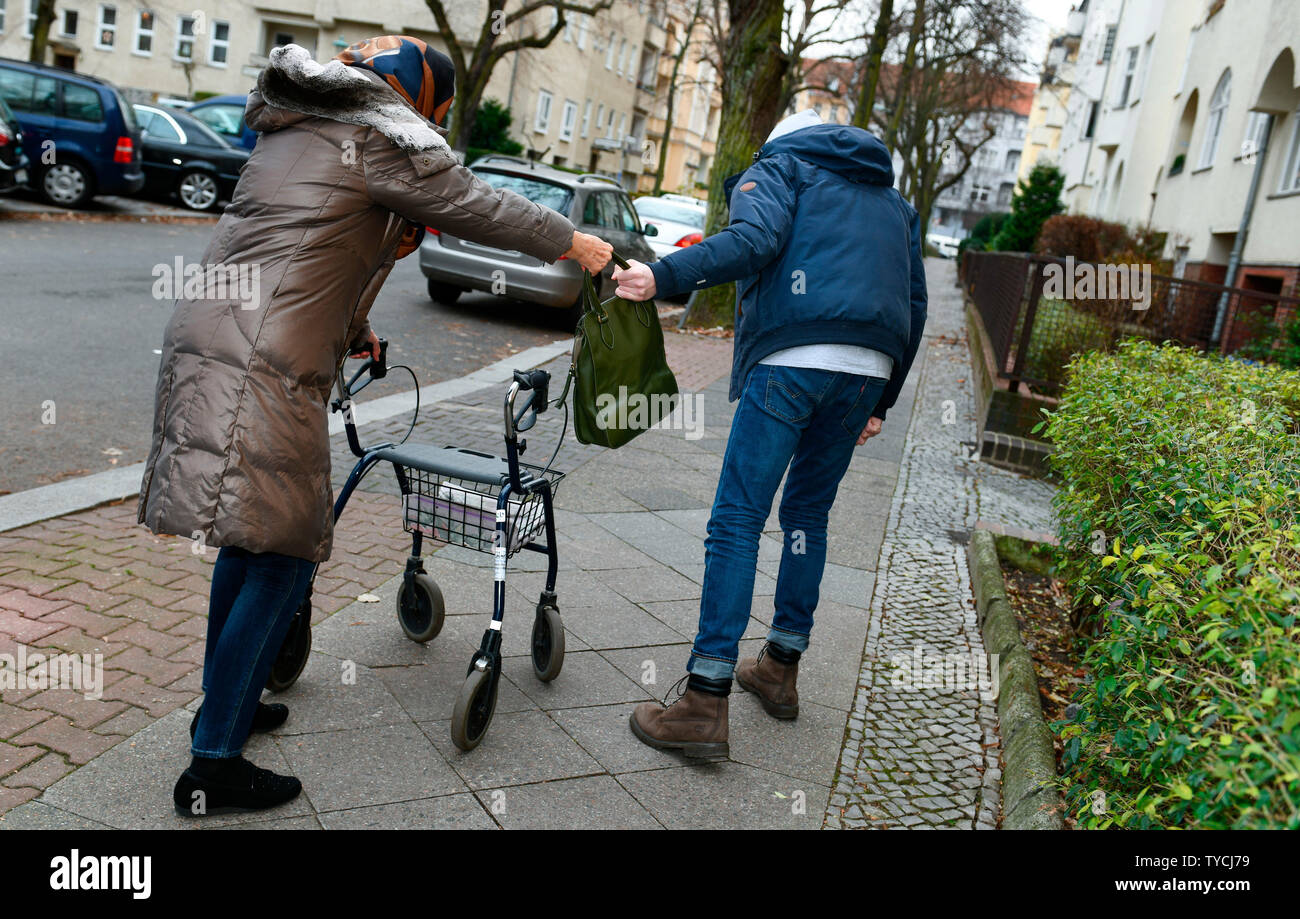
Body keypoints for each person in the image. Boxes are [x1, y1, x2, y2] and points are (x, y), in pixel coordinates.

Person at [140, 36, 612, 816]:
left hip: (217, 339)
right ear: (419, 96)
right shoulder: (379, 133)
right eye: (444, 106)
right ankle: (213, 764)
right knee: (285, 553)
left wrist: (353, 324)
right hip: (264, 360)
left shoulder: (304, 125)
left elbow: (321, 243)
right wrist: (574, 241)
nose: (442, 120)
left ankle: (227, 704)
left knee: (251, 538)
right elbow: (479, 203)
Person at [612, 110, 927, 761]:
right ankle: (780, 666)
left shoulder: (781, 165)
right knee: (808, 512)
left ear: (778, 140)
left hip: (792, 357)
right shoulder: (893, 202)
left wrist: (662, 275)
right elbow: (915, 301)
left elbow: (754, 241)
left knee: (737, 518)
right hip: (869, 367)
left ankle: (704, 699)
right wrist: (882, 399)